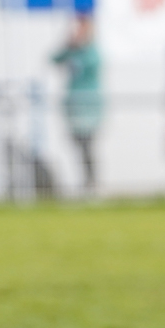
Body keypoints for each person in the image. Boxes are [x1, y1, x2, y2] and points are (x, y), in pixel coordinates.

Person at [51, 17, 104, 195]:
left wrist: (78, 46)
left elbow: (86, 65)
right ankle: (85, 181)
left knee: (87, 144)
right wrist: (68, 44)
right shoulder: (71, 50)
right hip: (73, 106)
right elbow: (54, 59)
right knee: (77, 144)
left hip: (89, 107)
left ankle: (92, 182)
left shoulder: (92, 51)